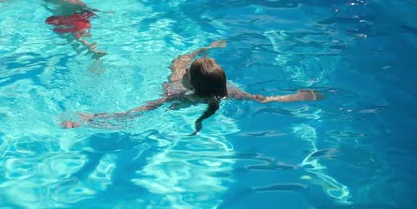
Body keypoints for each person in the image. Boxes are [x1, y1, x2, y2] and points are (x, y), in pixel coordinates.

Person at [61, 40, 323, 135]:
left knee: (175, 63)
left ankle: (200, 50)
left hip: (179, 94)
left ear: (192, 82)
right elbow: (264, 99)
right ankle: (202, 50)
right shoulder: (226, 91)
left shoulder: (177, 90)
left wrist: (88, 119)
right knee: (178, 62)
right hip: (203, 93)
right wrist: (300, 96)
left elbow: (135, 112)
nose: (185, 71)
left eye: (189, 72)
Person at [1, 0, 106, 59]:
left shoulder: (71, 2)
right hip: (59, 20)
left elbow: (89, 9)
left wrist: (104, 13)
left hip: (75, 19)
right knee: (71, 40)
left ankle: (94, 53)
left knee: (79, 37)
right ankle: (88, 55)